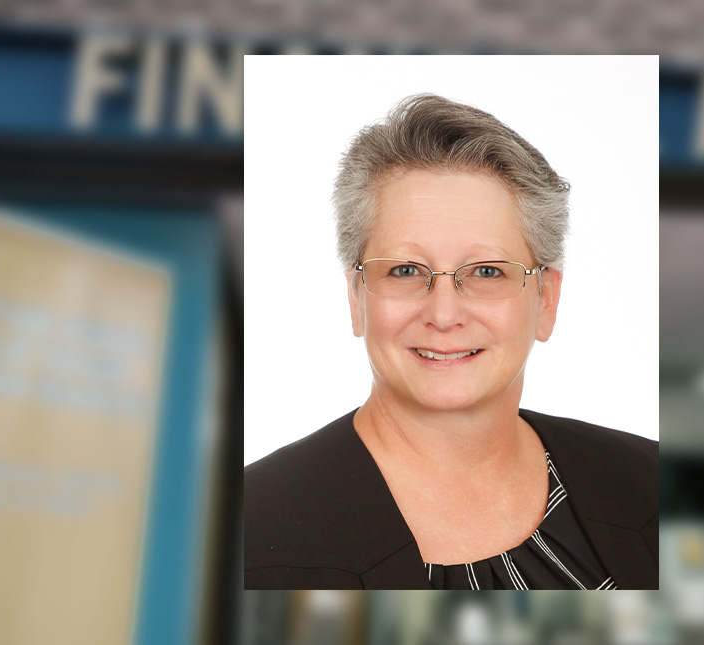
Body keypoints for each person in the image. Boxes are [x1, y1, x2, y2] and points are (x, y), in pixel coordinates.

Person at [244, 94, 658, 589]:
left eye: (487, 271)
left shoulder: (651, 482)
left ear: (546, 299)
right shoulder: (251, 528)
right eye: (404, 270)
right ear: (356, 296)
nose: (443, 314)